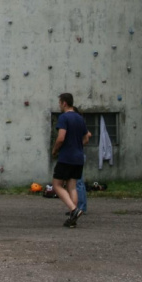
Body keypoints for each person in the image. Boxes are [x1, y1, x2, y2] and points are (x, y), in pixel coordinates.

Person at [51, 93, 90, 228]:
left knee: (56, 184)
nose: (59, 105)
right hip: (78, 158)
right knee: (72, 186)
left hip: (66, 157)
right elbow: (86, 137)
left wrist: (55, 150)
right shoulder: (80, 118)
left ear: (64, 103)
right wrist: (77, 145)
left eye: (59, 103)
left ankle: (73, 210)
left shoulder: (64, 117)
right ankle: (73, 216)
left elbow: (61, 137)